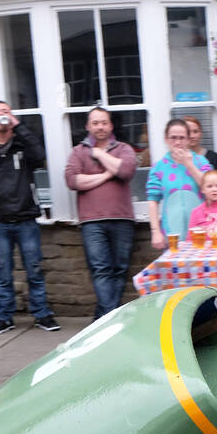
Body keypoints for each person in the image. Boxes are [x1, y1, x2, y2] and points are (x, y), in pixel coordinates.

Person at [0, 100, 60, 336]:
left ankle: (42, 315)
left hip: (26, 219)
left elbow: (40, 155)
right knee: (3, 274)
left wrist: (19, 127)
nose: (1, 115)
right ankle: (3, 318)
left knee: (34, 270)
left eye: (5, 112)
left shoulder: (22, 144)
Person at [63, 106, 138, 319]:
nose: (100, 127)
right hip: (92, 222)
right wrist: (107, 174)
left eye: (104, 122)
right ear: (88, 126)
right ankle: (110, 318)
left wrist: (98, 154)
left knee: (119, 269)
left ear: (111, 125)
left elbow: (126, 170)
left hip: (122, 218)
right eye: (95, 123)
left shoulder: (124, 148)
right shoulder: (78, 152)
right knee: (101, 269)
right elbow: (73, 181)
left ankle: (103, 316)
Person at [147, 118, 211, 247]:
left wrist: (189, 164)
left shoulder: (201, 161)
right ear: (166, 139)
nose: (178, 142)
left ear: (188, 139)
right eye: (173, 138)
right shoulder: (159, 167)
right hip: (172, 233)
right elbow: (152, 200)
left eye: (182, 138)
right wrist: (155, 231)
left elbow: (209, 188)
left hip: (201, 230)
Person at [183, 116, 217, 191]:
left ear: (201, 133)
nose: (192, 136)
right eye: (188, 132)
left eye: (195, 131)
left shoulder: (213, 157)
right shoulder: (179, 159)